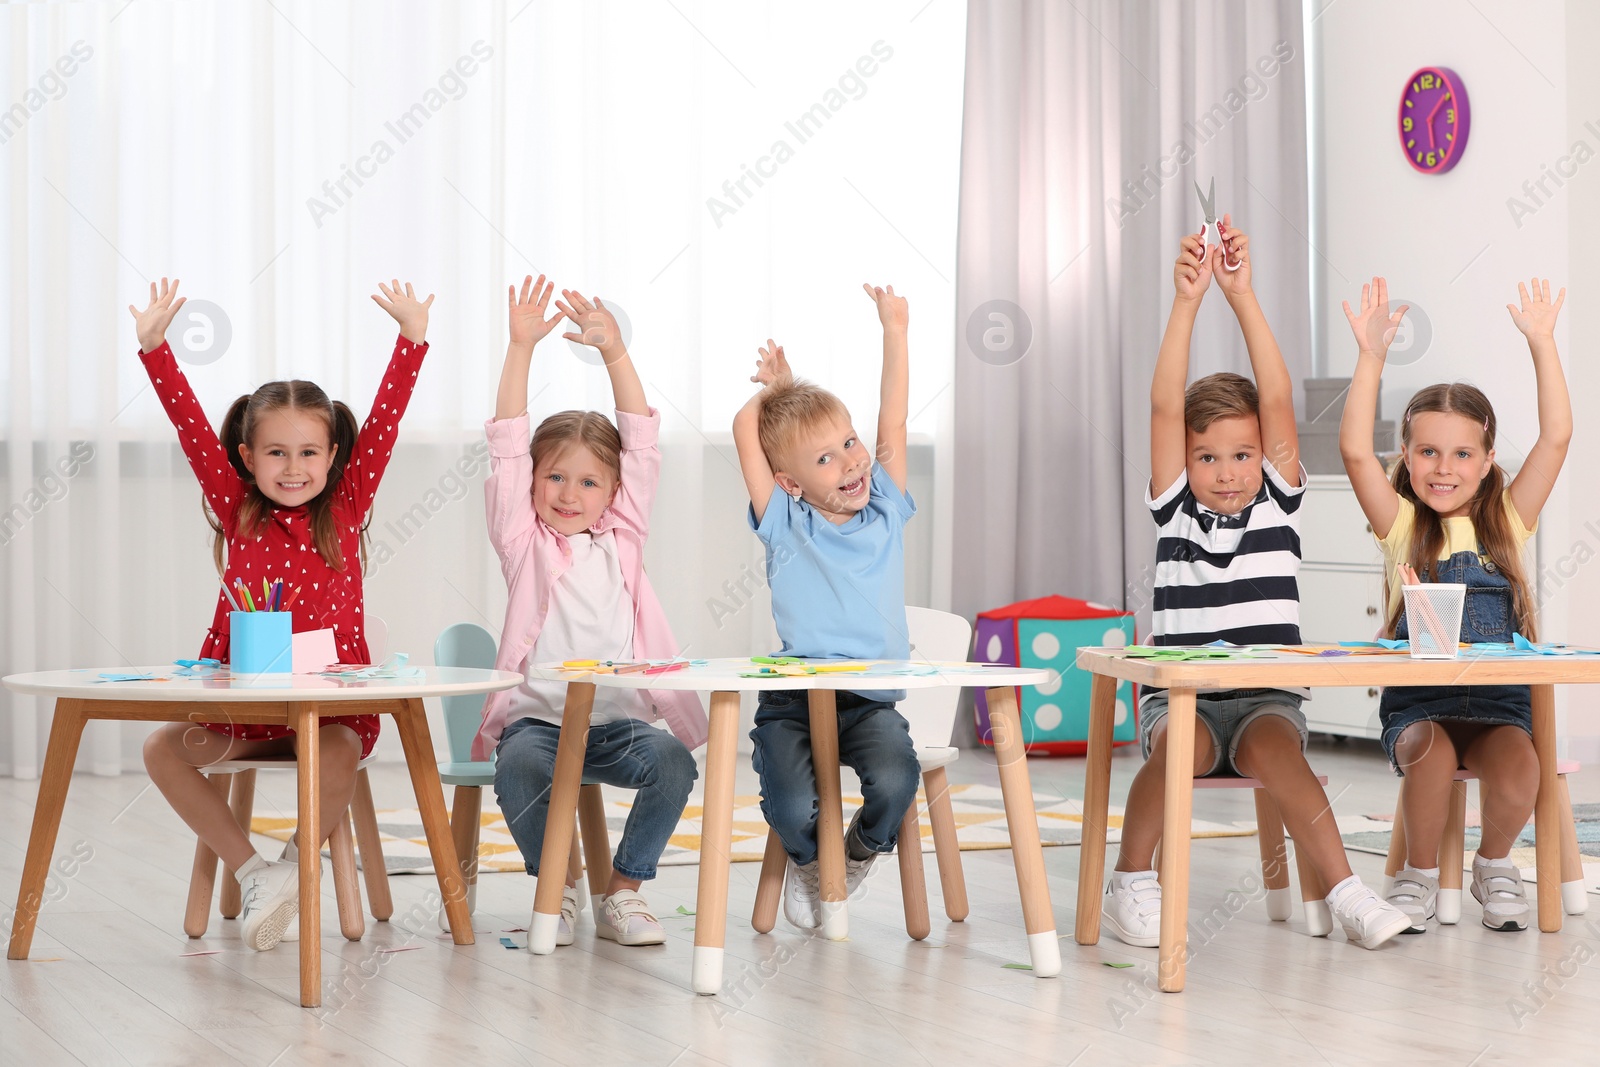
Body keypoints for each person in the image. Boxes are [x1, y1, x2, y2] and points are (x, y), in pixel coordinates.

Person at [1339, 276, 1569, 933]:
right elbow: (1354, 450)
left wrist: (1542, 344)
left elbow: (1556, 439)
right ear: (1406, 457)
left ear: (1489, 459)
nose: (1445, 467)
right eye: (1428, 451)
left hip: (1500, 706)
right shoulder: (1401, 525)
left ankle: (1494, 862)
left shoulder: (1508, 518)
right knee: (1430, 756)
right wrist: (1372, 355)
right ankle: (1414, 873)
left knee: (1523, 768)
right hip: (1422, 704)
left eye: (1463, 453)